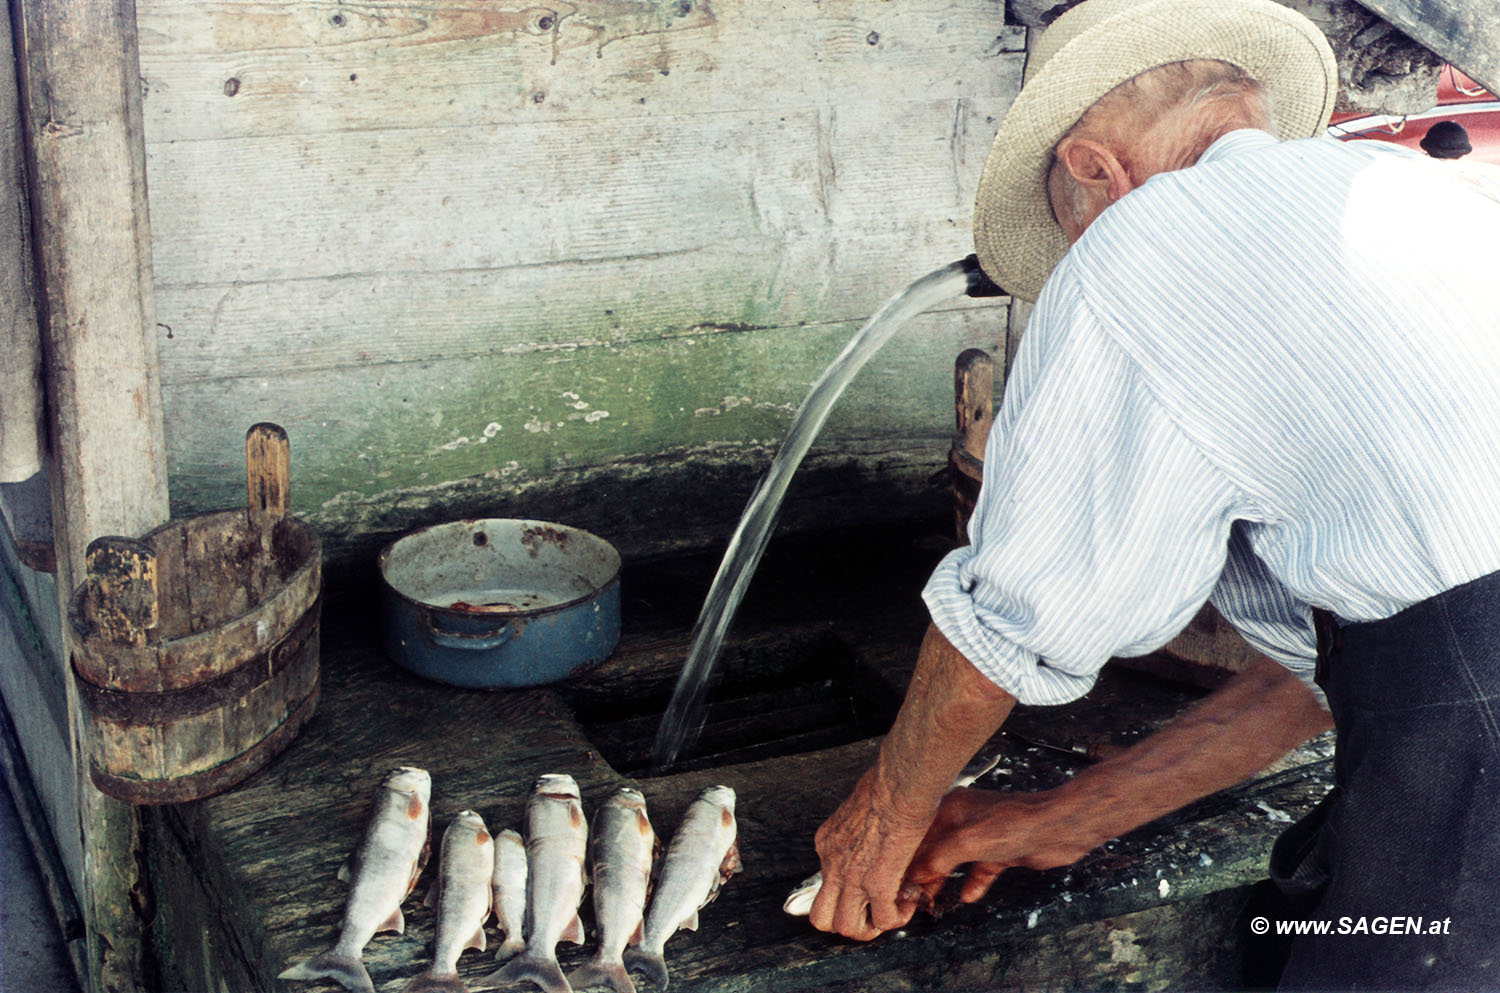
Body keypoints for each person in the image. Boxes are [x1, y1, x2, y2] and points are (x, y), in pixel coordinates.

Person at [808, 0, 1500, 988]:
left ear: (1093, 169)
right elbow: (1332, 665)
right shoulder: (1411, 190)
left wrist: (884, 821)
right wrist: (1066, 820)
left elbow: (1009, 624)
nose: (1076, 254)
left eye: (1067, 230)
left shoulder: (1139, 245)